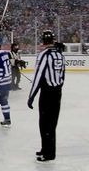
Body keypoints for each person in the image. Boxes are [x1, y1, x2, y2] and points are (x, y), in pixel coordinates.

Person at [27, 29, 65, 163]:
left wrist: (31, 96)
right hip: (57, 93)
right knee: (52, 124)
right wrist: (59, 88)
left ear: (43, 41)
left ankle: (48, 153)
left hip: (47, 94)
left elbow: (38, 76)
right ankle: (47, 150)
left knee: (44, 124)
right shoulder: (60, 54)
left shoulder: (44, 55)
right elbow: (62, 75)